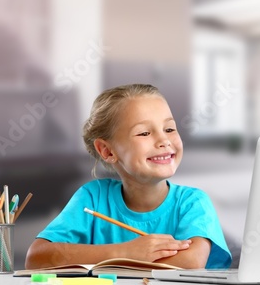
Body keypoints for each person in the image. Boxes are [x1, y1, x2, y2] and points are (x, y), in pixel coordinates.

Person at [25, 84, 232, 270]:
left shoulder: (193, 203)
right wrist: (126, 252)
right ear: (106, 150)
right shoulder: (93, 198)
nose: (163, 140)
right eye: (144, 133)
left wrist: (97, 261)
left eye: (169, 129)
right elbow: (37, 257)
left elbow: (189, 263)